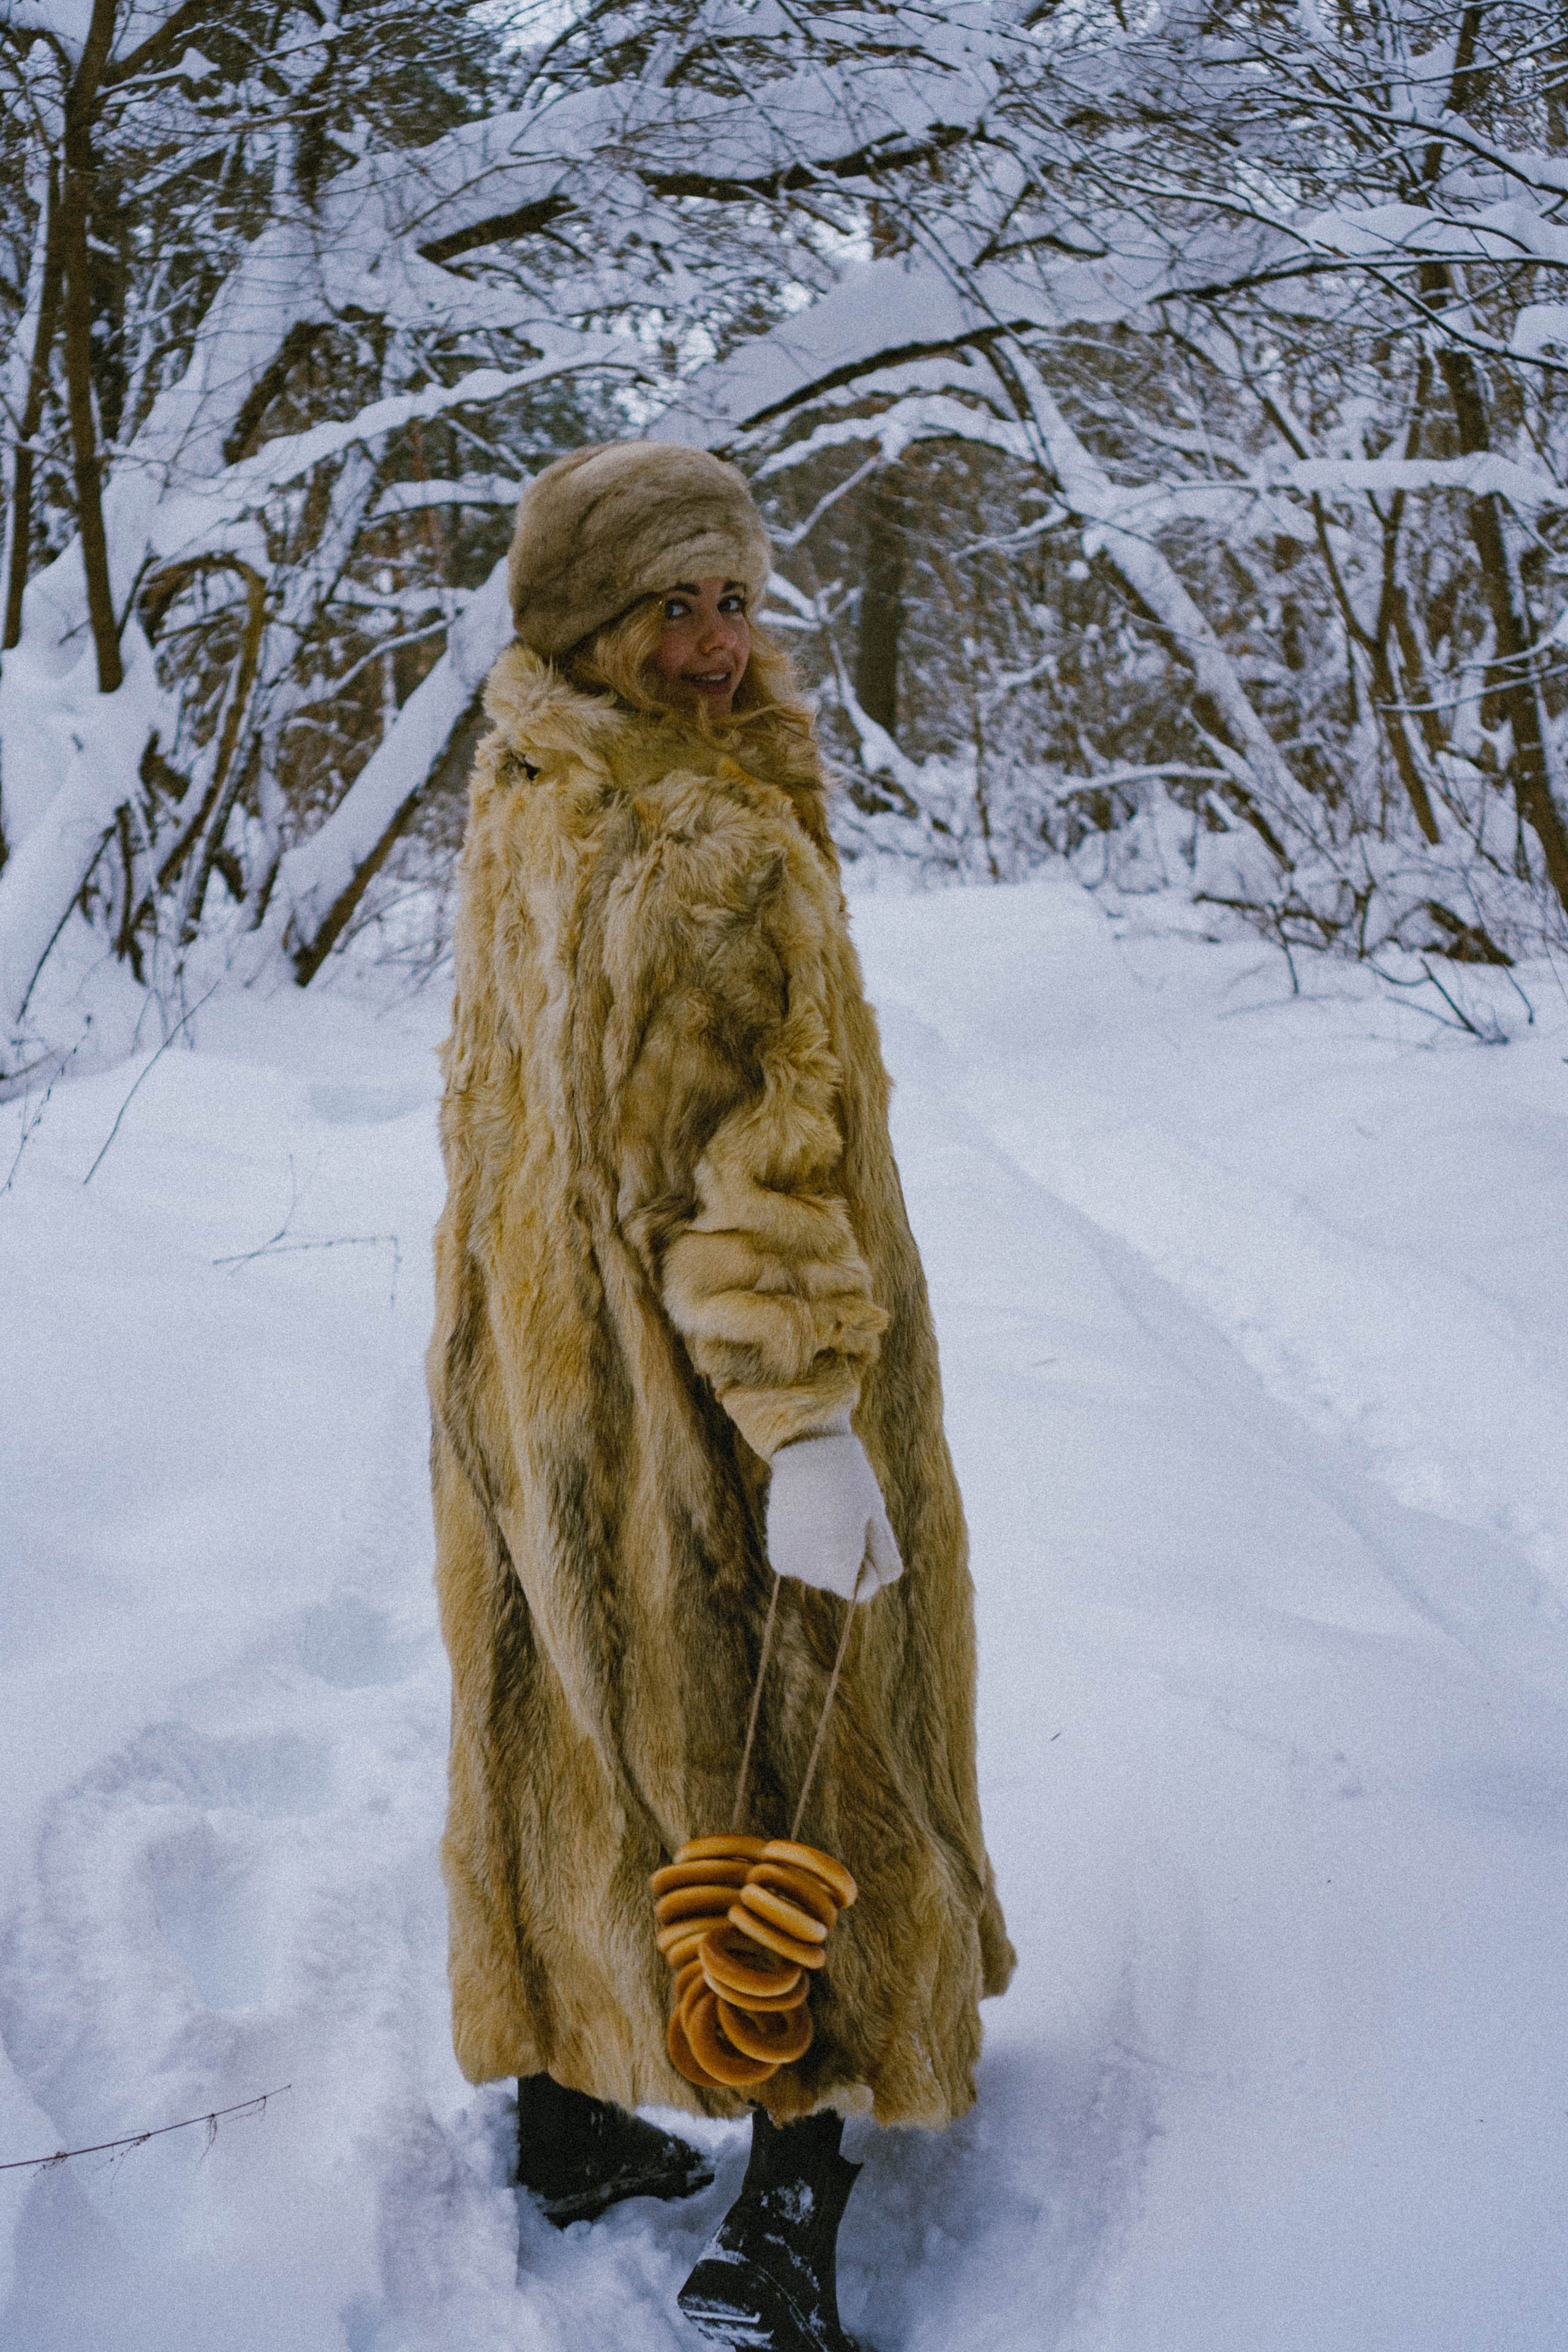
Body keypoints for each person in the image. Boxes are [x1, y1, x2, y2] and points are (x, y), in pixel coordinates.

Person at [428, 441, 1014, 2350]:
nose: (710, 643)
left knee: (593, 1719)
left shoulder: (532, 783)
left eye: (734, 599)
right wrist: (815, 1422)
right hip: (712, 1399)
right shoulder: (699, 841)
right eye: (667, 605)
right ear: (583, 623)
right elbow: (750, 1164)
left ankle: (575, 2106)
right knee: (793, 1743)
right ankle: (784, 2224)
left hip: (545, 1378)